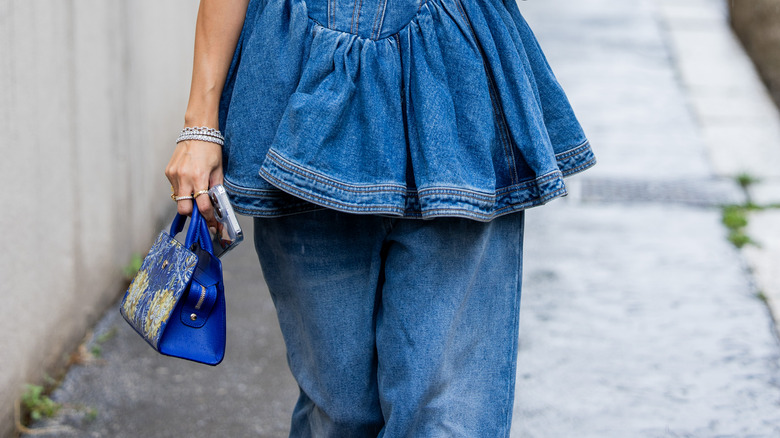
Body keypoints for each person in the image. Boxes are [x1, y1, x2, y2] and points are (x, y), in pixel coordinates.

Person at [166, 0, 595, 436]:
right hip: (300, 80)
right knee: (338, 415)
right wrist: (200, 125)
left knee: (448, 417)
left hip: (452, 82)